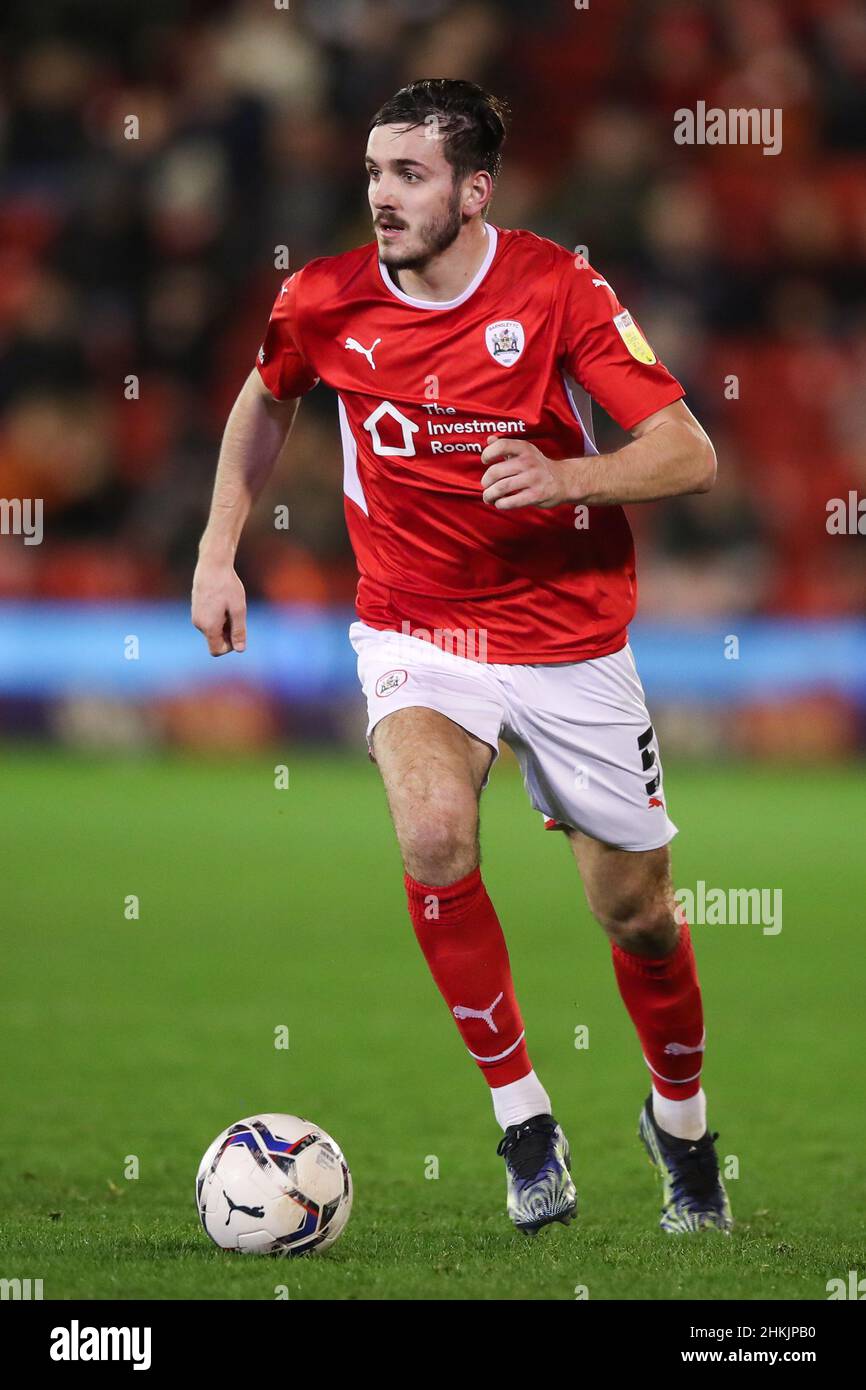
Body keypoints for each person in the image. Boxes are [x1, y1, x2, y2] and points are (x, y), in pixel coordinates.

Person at [192, 78, 732, 1237]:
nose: (380, 197)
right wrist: (217, 548)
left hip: (569, 634)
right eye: (374, 172)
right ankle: (524, 1122)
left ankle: (680, 1124)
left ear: (473, 190)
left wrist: (568, 475)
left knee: (633, 912)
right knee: (433, 835)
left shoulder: (555, 287)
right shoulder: (321, 299)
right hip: (413, 624)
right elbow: (264, 400)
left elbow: (688, 454)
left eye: (410, 175)